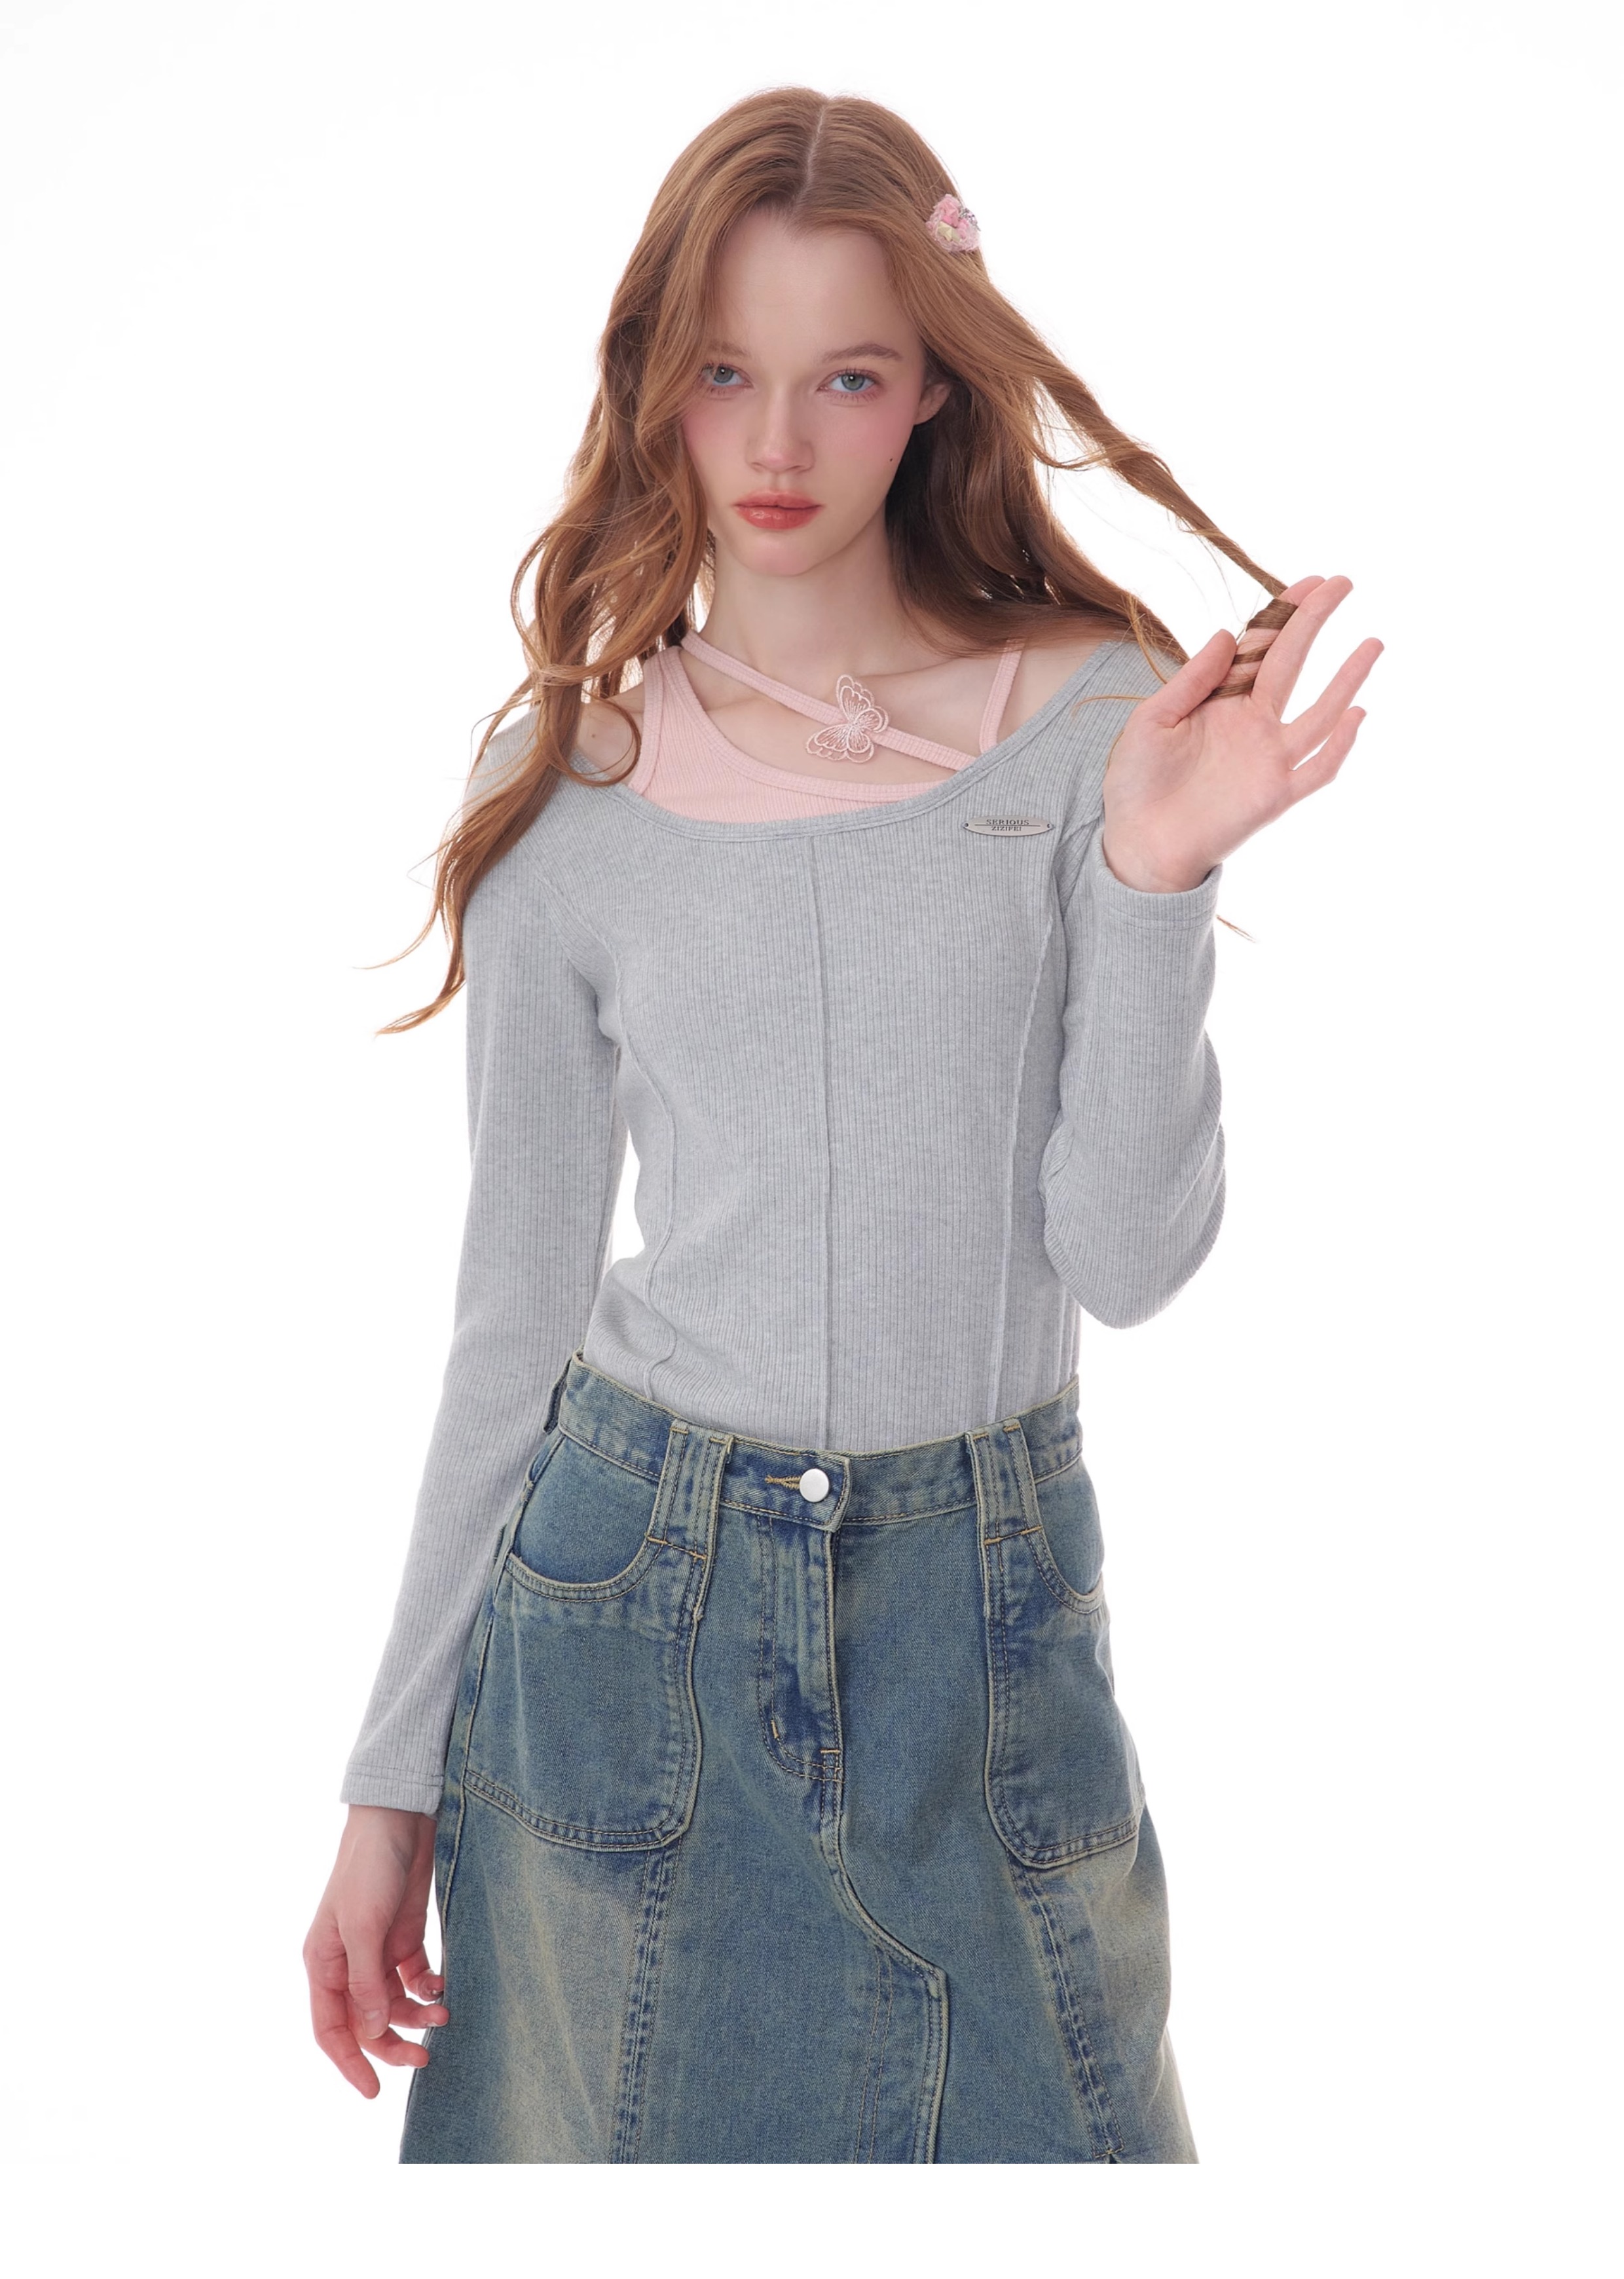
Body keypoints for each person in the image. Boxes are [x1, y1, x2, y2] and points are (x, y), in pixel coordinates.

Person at [303, 86, 1380, 2164]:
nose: (779, 443)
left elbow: (1130, 1259)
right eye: (727, 374)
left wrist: (1154, 878)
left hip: (987, 1612)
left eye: (848, 377)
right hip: (629, 1615)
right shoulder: (566, 786)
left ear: (932, 394)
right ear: (656, 381)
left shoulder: (1096, 723)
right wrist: (387, 1778)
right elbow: (510, 1316)